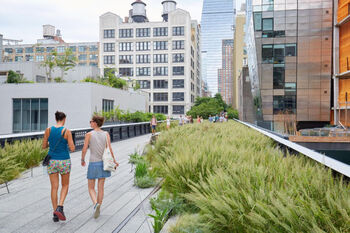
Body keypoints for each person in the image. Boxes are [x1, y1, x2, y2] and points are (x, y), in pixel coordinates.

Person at [81, 115, 118, 219]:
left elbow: (84, 148)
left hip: (93, 163)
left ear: (95, 123)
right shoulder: (106, 134)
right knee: (101, 187)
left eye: (91, 121)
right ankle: (99, 207)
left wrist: (82, 159)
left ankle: (96, 204)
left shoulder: (89, 134)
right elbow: (109, 149)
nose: (90, 123)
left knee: (91, 187)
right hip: (103, 163)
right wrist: (114, 161)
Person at [42, 111, 75, 222]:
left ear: (56, 118)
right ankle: (60, 207)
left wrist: (50, 143)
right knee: (65, 185)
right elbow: (72, 148)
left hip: (52, 161)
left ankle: (55, 213)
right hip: (64, 160)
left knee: (54, 187)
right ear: (64, 119)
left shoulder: (48, 130)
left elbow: (43, 146)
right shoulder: (66, 131)